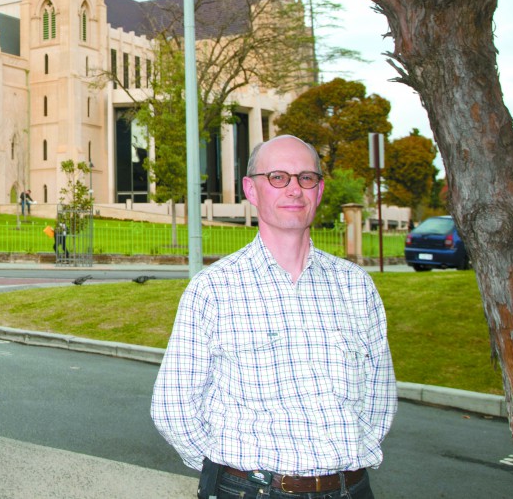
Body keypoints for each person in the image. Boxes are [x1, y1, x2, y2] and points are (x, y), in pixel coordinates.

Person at [151, 135, 396, 499]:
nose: (294, 189)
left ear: (320, 189)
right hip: (253, 490)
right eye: (278, 177)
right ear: (251, 189)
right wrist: (229, 470)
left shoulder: (355, 287)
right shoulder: (214, 290)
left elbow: (380, 396)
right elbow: (173, 407)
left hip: (350, 489)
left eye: (306, 178)